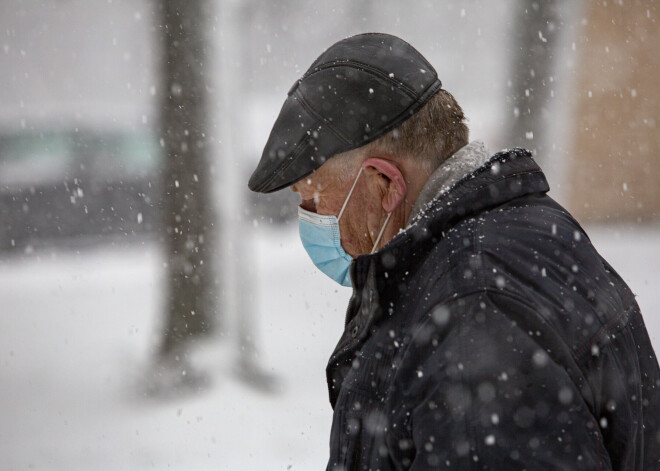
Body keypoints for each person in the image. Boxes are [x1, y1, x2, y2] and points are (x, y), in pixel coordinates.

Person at [248, 33, 660, 470]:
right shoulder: (522, 235)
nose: (309, 216)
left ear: (384, 184)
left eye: (312, 197)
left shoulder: (475, 311)